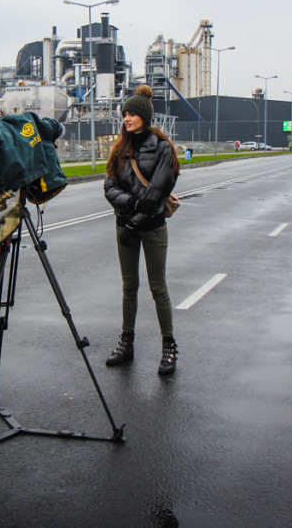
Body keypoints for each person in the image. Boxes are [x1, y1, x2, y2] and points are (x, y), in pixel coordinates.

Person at [103, 85, 181, 376]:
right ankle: (127, 343)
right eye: (125, 113)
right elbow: (110, 187)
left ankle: (169, 346)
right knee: (129, 287)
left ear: (145, 117)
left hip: (151, 226)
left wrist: (137, 215)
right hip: (124, 225)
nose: (127, 118)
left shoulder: (162, 147)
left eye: (133, 113)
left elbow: (160, 188)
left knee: (158, 288)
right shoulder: (119, 148)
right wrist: (132, 205)